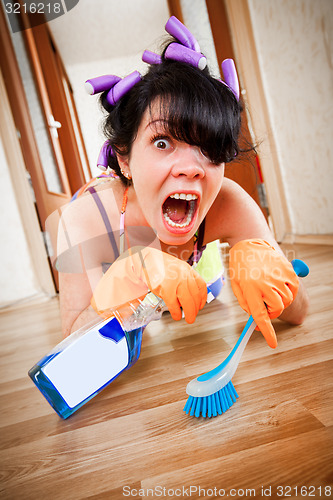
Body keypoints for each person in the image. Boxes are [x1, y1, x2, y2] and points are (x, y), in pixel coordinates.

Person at [57, 17, 308, 348]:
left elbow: (299, 312)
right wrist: (129, 275)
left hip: (199, 275)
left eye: (208, 148)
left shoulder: (228, 203)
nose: (192, 169)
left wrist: (271, 267)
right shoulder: (83, 218)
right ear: (124, 158)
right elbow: (72, 344)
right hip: (111, 259)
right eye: (162, 143)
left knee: (203, 292)